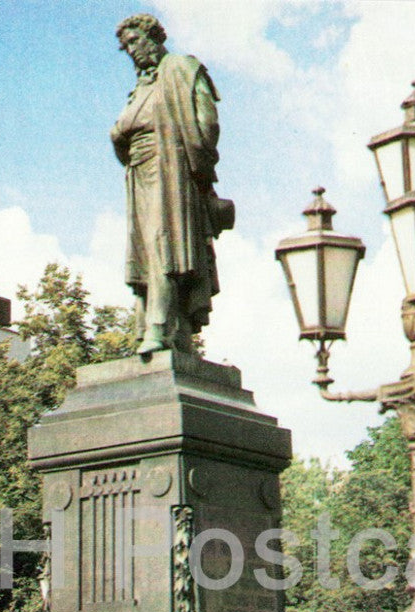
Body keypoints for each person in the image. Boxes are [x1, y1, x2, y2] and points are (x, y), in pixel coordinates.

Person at [111, 13, 234, 357]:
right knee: (145, 253)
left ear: (153, 36)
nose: (131, 51)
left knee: (164, 247)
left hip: (172, 172)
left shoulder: (180, 67)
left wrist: (197, 168)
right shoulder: (139, 87)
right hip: (140, 172)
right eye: (126, 47)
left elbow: (207, 122)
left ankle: (159, 327)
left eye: (134, 41)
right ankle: (169, 332)